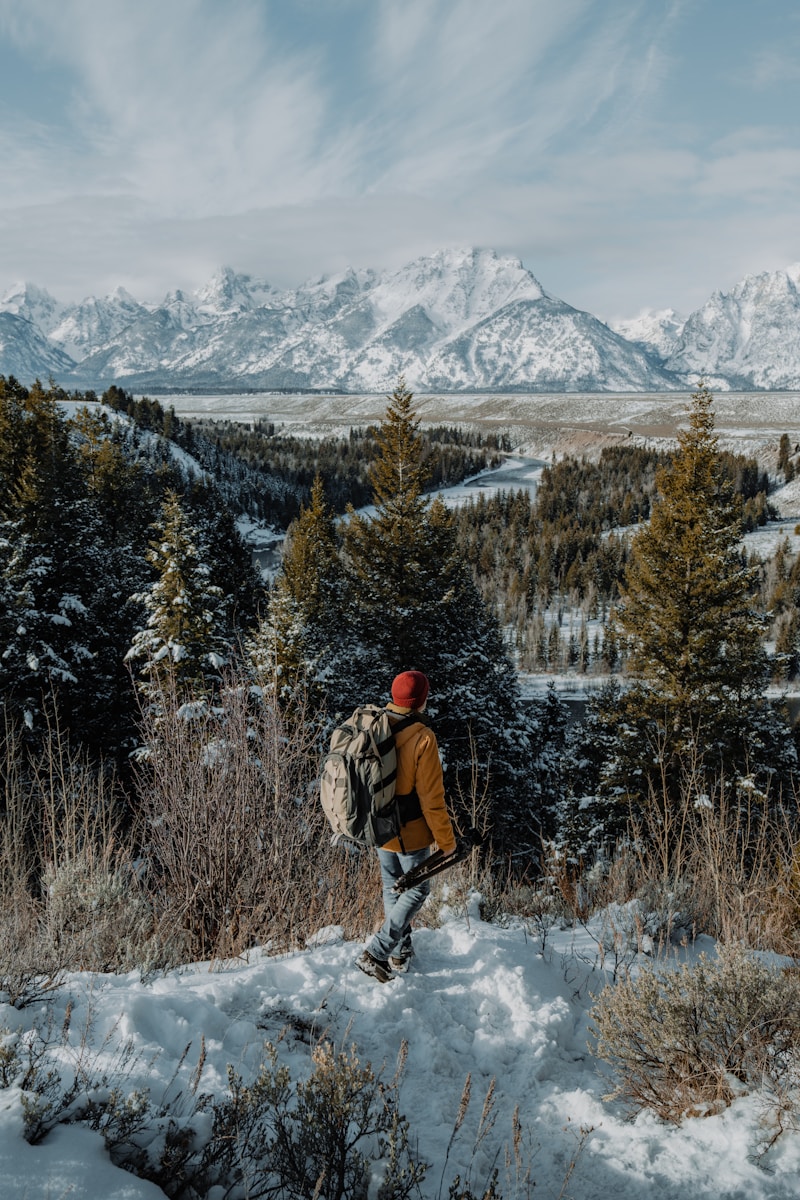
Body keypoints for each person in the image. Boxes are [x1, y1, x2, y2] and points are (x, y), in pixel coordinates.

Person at [356, 669, 457, 983]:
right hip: (409, 830)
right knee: (417, 889)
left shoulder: (376, 722)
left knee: (392, 887)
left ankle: (400, 953)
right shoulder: (423, 736)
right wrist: (447, 841)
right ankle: (378, 951)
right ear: (421, 700)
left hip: (377, 824)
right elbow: (431, 797)